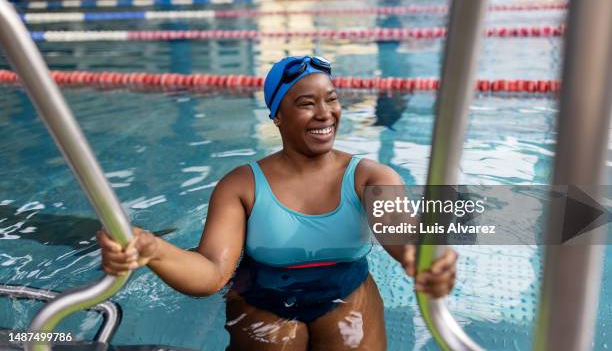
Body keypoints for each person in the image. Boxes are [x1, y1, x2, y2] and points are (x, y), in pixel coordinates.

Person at [97, 56, 458, 350]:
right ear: (277, 116)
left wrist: (423, 256)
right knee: (277, 343)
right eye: (306, 103)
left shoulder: (370, 177)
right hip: (261, 294)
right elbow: (211, 273)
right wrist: (154, 250)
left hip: (346, 288)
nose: (324, 113)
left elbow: (401, 229)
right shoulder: (241, 186)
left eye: (331, 99)